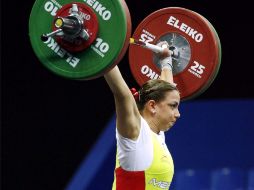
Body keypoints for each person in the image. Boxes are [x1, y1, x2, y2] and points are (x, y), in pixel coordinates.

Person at [104, 41, 181, 190]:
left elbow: (166, 91)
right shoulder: (135, 135)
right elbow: (122, 94)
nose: (178, 114)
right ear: (152, 106)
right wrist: (102, 49)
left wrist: (166, 61)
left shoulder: (157, 133)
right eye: (173, 106)